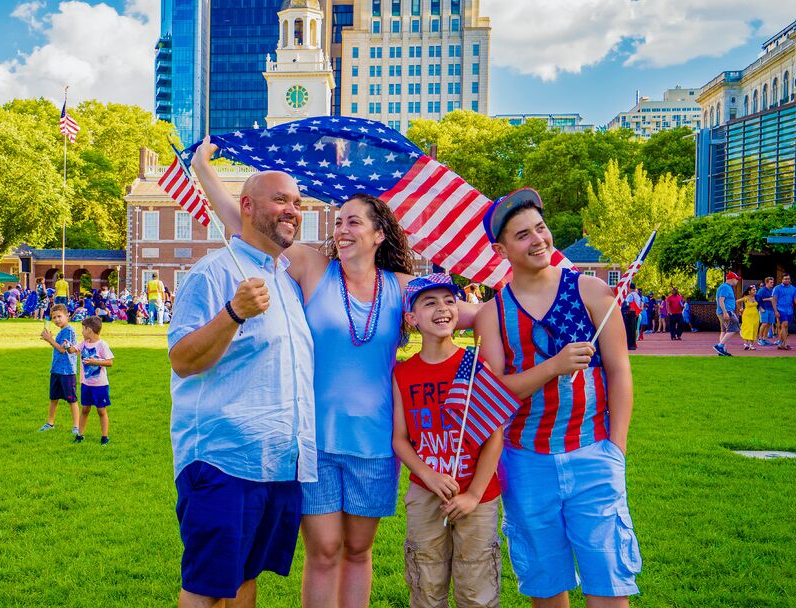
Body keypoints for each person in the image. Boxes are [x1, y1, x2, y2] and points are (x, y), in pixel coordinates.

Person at [193, 138, 479, 608]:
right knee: (323, 551)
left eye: (353, 222)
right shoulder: (311, 266)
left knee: (358, 550)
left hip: (376, 442)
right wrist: (204, 170)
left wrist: (538, 289)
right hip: (314, 439)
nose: (341, 229)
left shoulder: (403, 288)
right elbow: (247, 228)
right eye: (338, 221)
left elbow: (468, 314)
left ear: (379, 234)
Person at [475, 188, 640, 607]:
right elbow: (495, 390)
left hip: (593, 454)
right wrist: (553, 366)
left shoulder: (592, 292)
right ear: (501, 249)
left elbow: (620, 372)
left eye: (541, 228)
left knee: (609, 584)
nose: (538, 240)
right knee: (546, 586)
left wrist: (615, 450)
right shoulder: (493, 314)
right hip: (527, 462)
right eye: (523, 235)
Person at [168, 169, 316, 608]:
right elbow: (182, 359)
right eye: (280, 200)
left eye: (297, 203)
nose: (291, 210)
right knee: (207, 589)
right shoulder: (212, 274)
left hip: (279, 462)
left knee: (246, 579)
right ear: (246, 207)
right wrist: (233, 311)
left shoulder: (287, 282)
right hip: (223, 460)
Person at [391, 274, 505, 608]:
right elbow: (400, 440)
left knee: (477, 588)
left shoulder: (474, 367)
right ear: (412, 319)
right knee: (426, 585)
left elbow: (493, 437)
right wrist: (428, 475)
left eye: (449, 300)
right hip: (426, 495)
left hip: (478, 497)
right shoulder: (403, 373)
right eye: (430, 303)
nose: (442, 308)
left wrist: (473, 494)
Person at [73, 316, 115, 445]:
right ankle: (80, 435)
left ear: (89, 330)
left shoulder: (102, 345)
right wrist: (68, 346)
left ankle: (104, 437)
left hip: (100, 385)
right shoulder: (84, 343)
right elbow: (73, 350)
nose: (81, 332)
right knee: (85, 409)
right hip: (86, 384)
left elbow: (110, 362)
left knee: (101, 411)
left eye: (83, 329)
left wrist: (94, 362)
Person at [39, 304, 80, 434]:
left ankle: (76, 426)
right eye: (54, 317)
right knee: (53, 398)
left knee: (71, 399)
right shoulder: (62, 331)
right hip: (56, 370)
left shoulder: (69, 330)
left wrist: (50, 339)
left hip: (67, 371)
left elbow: (63, 350)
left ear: (67, 316)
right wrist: (50, 340)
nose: (56, 320)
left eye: (59, 316)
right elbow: (59, 348)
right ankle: (50, 423)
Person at [714, 272, 740, 356]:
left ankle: (722, 350)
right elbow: (721, 300)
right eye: (736, 279)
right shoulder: (725, 287)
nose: (737, 281)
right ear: (732, 279)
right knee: (735, 328)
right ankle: (720, 346)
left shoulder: (726, 287)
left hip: (724, 311)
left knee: (724, 330)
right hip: (727, 312)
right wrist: (725, 312)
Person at [774, 273, 795, 351]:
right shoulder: (777, 288)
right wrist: (775, 311)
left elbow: (795, 300)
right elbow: (774, 300)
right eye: (785, 279)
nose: (787, 280)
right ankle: (786, 343)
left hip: (789, 310)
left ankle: (780, 344)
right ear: (782, 280)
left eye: (788, 279)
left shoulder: (793, 288)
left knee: (785, 327)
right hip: (780, 309)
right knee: (784, 325)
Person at [756, 276, 778, 346]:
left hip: (771, 309)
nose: (772, 284)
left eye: (773, 282)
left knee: (769, 324)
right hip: (764, 309)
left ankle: (765, 338)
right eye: (771, 282)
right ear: (766, 282)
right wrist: (760, 308)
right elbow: (758, 299)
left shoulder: (772, 290)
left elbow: (773, 299)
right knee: (764, 323)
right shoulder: (761, 290)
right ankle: (760, 339)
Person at [736, 285, 759, 351]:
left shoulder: (756, 297)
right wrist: (740, 309)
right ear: (749, 291)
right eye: (753, 290)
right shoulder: (746, 297)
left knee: (754, 328)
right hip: (747, 315)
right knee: (748, 328)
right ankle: (746, 344)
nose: (755, 291)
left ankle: (751, 345)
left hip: (755, 315)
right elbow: (737, 301)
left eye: (755, 289)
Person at [621, 282, 641, 350]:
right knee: (636, 329)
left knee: (630, 329)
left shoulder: (630, 295)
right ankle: (634, 342)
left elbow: (626, 304)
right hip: (637, 313)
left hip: (630, 315)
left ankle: (630, 343)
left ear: (630, 288)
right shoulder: (637, 295)